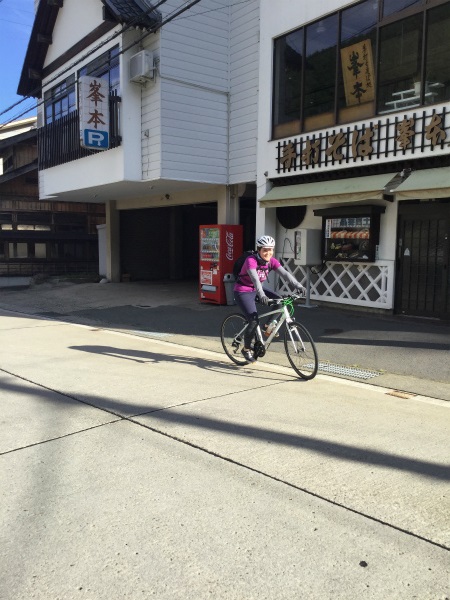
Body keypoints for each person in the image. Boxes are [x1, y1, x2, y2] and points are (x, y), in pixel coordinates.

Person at [233, 234, 305, 362]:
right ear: (259, 250)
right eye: (265, 250)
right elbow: (255, 279)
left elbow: (285, 274)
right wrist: (262, 295)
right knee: (253, 321)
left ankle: (267, 326)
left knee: (279, 300)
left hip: (257, 289)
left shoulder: (271, 261)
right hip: (243, 291)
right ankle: (246, 349)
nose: (268, 252)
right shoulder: (251, 260)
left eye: (270, 249)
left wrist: (299, 286)